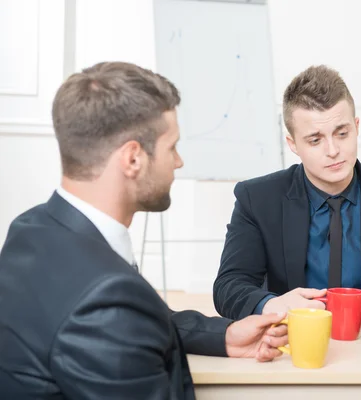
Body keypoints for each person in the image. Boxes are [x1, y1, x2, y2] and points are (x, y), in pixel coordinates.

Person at [0, 61, 287, 399]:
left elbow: (136, 321)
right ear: (133, 158)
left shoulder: (32, 228)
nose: (178, 162)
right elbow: (117, 317)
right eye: (172, 147)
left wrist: (223, 335)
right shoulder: (107, 296)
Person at [214, 65, 361, 328]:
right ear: (293, 144)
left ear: (356, 127)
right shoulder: (257, 199)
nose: (333, 150)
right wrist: (272, 305)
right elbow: (229, 287)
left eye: (342, 134)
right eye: (315, 140)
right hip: (289, 345)